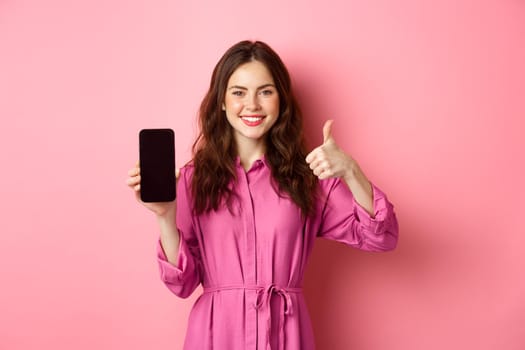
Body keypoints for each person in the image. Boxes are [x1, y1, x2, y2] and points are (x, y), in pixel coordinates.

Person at [126, 40, 398, 350]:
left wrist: (351, 171)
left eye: (265, 91)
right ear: (222, 102)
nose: (252, 105)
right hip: (216, 338)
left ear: (281, 100)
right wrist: (164, 216)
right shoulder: (192, 180)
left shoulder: (308, 177)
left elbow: (382, 238)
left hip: (285, 335)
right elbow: (182, 284)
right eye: (239, 92)